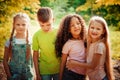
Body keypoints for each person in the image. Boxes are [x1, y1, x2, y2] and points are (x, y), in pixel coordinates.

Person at [55, 14, 87, 80]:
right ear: (68, 30)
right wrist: (60, 78)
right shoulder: (68, 44)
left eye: (78, 23)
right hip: (70, 75)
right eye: (72, 25)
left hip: (83, 75)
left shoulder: (86, 41)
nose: (76, 26)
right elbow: (63, 63)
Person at [3, 12, 34, 80]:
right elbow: (5, 60)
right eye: (18, 24)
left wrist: (35, 74)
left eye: (23, 24)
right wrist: (9, 76)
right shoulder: (9, 42)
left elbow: (34, 60)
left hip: (28, 76)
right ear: (14, 25)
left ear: (28, 25)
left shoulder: (31, 41)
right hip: (13, 75)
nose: (20, 27)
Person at [32, 7, 60, 80]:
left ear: (53, 20)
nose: (45, 28)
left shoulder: (58, 33)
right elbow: (35, 55)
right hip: (44, 69)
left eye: (48, 25)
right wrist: (37, 74)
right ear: (38, 22)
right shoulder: (36, 35)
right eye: (42, 25)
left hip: (58, 68)